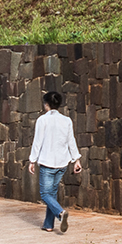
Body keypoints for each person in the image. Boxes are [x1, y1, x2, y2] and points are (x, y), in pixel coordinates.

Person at [27, 90, 83, 233]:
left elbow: (37, 142)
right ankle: (48, 224)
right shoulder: (67, 120)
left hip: (47, 163)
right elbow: (71, 140)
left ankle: (60, 213)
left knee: (45, 194)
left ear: (46, 104)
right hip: (62, 163)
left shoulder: (42, 120)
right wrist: (76, 160)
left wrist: (32, 160)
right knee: (51, 194)